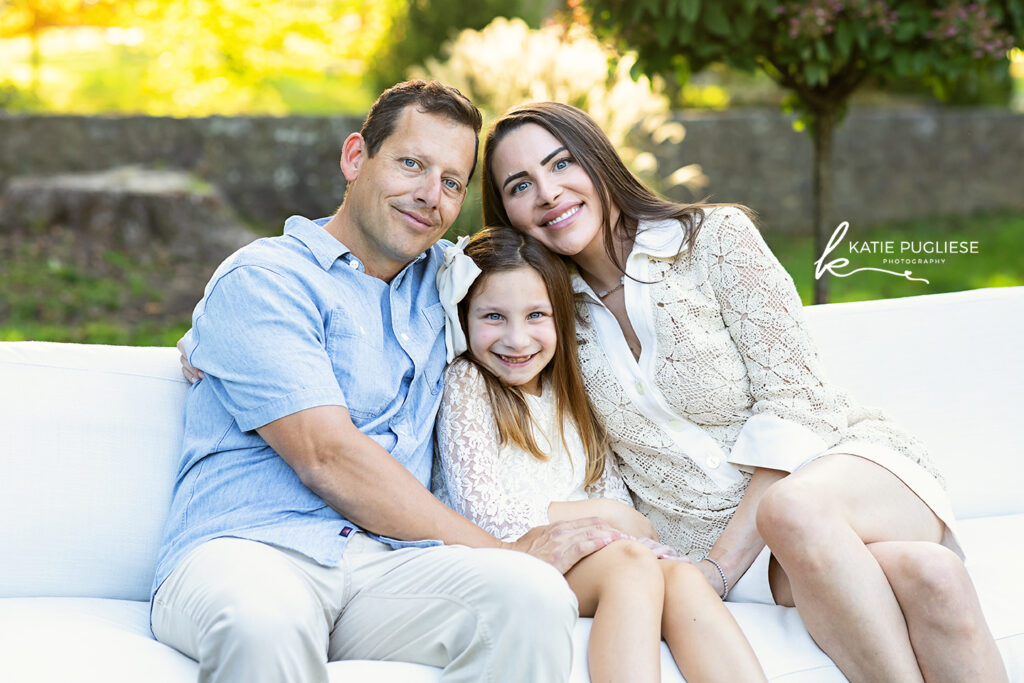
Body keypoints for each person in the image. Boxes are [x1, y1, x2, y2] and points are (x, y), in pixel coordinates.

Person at [480, 101, 1008, 683]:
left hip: (844, 471)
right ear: (505, 211)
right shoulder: (541, 319)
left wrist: (718, 570)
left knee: (793, 507)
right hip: (746, 548)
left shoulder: (712, 239)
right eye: (520, 184)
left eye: (561, 164)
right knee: (933, 577)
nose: (548, 192)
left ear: (598, 161)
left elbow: (796, 401)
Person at [154, 82, 624, 683]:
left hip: (388, 565)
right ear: (356, 158)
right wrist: (500, 549)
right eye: (412, 164)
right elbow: (328, 456)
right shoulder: (266, 281)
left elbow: (534, 295)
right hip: (251, 549)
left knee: (529, 595)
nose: (431, 196)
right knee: (263, 622)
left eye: (453, 182)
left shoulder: (447, 282)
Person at [431, 225, 767, 683]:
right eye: (493, 317)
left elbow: (621, 509)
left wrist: (619, 524)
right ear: (463, 317)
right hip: (509, 558)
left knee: (682, 576)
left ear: (561, 318)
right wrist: (603, 517)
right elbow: (484, 515)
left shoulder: (571, 397)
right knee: (630, 565)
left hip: (589, 555)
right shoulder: (468, 385)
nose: (516, 338)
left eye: (536, 315)